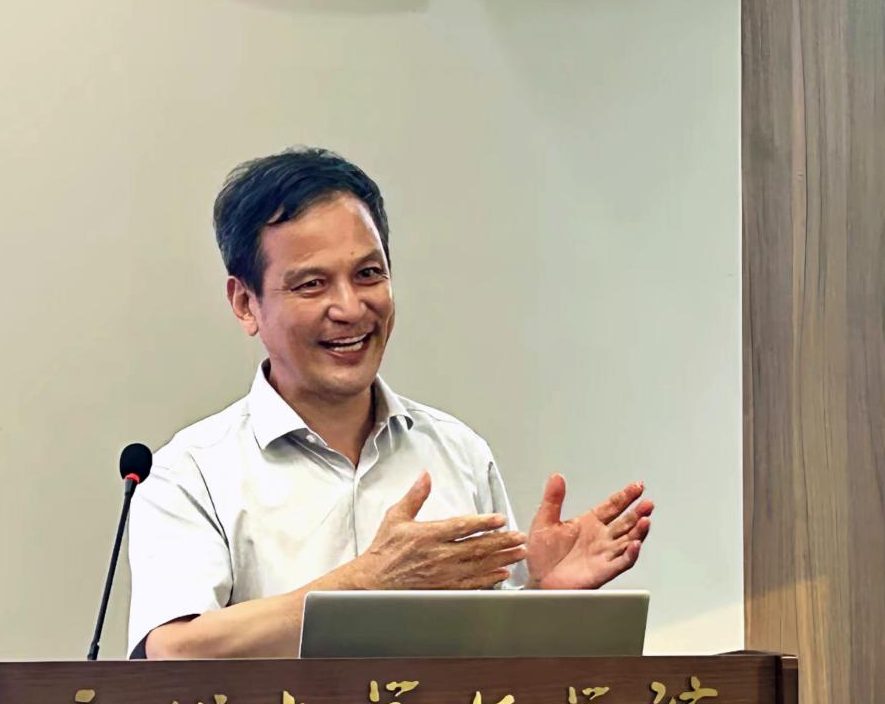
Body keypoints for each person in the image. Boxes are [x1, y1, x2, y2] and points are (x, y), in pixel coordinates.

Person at [125, 147, 653, 658]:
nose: (350, 308)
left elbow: (494, 666)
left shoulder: (457, 452)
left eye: (368, 274)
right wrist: (367, 583)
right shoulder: (189, 472)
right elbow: (174, 650)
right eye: (312, 284)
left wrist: (543, 599)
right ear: (246, 304)